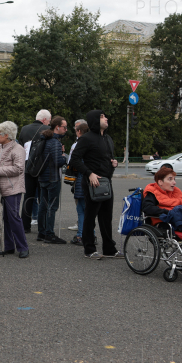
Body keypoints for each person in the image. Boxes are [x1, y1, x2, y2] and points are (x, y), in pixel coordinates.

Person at [69, 110, 122, 259]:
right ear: (94, 120)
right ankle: (89, 249)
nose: (106, 118)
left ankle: (109, 249)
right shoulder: (86, 139)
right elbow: (75, 159)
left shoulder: (108, 138)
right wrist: (89, 173)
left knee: (106, 217)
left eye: (105, 116)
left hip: (106, 183)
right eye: (102, 117)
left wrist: (114, 163)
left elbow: (108, 158)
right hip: (92, 183)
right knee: (90, 217)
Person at [0, 121, 29, 258]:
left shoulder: (18, 149)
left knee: (14, 218)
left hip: (13, 188)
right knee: (3, 218)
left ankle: (23, 247)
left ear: (7, 135)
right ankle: (9, 246)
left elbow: (18, 169)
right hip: (0, 188)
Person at [37, 116, 68, 244]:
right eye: (64, 127)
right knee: (52, 206)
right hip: (52, 178)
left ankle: (41, 232)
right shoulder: (55, 142)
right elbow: (58, 162)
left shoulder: (45, 139)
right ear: (57, 127)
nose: (66, 130)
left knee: (43, 205)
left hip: (42, 177)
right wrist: (64, 156)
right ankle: (49, 234)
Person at [19, 109, 50, 231]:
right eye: (49, 119)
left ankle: (25, 226)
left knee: (28, 197)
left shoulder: (24, 129)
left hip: (28, 168)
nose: (49, 122)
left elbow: (21, 148)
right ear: (44, 120)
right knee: (43, 199)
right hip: (42, 168)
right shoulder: (47, 129)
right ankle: (42, 228)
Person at [67, 119, 95, 246]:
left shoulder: (77, 145)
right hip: (92, 180)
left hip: (81, 179)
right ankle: (92, 234)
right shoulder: (94, 143)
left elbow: (72, 162)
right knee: (90, 210)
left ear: (79, 131)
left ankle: (81, 235)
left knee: (81, 210)